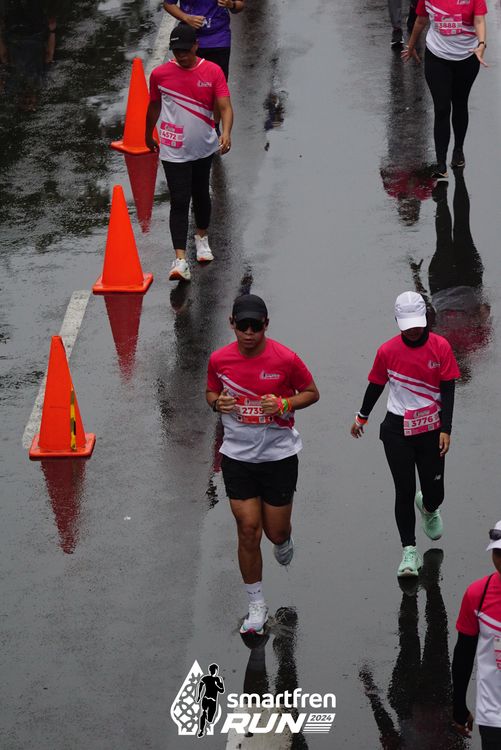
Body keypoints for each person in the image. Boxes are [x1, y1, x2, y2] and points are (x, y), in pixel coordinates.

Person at [206, 294, 319, 635]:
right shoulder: (219, 360)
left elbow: (311, 392)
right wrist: (218, 403)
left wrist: (284, 403)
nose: (249, 333)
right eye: (243, 326)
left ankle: (284, 541)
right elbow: (211, 392)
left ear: (266, 325)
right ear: (232, 324)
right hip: (237, 457)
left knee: (275, 532)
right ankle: (256, 604)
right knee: (248, 528)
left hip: (278, 457)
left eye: (256, 326)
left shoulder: (285, 359)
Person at [350, 291, 460, 578]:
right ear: (397, 321)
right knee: (404, 490)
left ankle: (429, 507)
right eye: (407, 325)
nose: (413, 330)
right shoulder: (387, 351)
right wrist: (362, 416)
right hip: (397, 429)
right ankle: (409, 552)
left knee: (435, 493)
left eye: (417, 324)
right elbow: (376, 385)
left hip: (431, 429)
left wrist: (446, 428)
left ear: (426, 319)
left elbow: (448, 388)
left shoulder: (440, 347)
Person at [145, 22, 233, 281]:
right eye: (177, 51)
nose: (181, 55)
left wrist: (226, 132)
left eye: (185, 50)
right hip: (173, 148)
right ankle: (180, 259)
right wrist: (147, 133)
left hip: (203, 147)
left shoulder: (213, 71)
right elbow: (153, 106)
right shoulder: (160, 75)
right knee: (180, 200)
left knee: (201, 193)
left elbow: (225, 107)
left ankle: (202, 238)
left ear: (196, 46)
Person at [402, 0, 488, 180]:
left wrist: (481, 44)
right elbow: (421, 20)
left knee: (460, 103)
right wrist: (411, 45)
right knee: (441, 108)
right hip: (437, 57)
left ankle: (458, 150)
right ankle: (441, 163)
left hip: (467, 58)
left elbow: (479, 20)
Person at [452, 521, 501, 749]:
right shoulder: (477, 595)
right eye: (498, 553)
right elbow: (463, 656)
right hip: (494, 715)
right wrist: (459, 707)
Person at [163, 0, 244, 82]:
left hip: (219, 39)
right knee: (189, 82)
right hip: (189, 39)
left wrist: (232, 5)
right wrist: (187, 18)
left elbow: (240, 5)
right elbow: (168, 4)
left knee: (217, 82)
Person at [196, 663, 225, 738]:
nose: (213, 672)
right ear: (210, 671)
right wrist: (198, 695)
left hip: (213, 701)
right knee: (203, 713)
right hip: (205, 699)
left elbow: (222, 691)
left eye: (214, 670)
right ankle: (201, 730)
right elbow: (200, 685)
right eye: (212, 670)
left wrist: (216, 685)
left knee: (210, 720)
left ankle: (206, 717)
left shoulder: (218, 679)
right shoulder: (206, 678)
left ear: (216, 671)